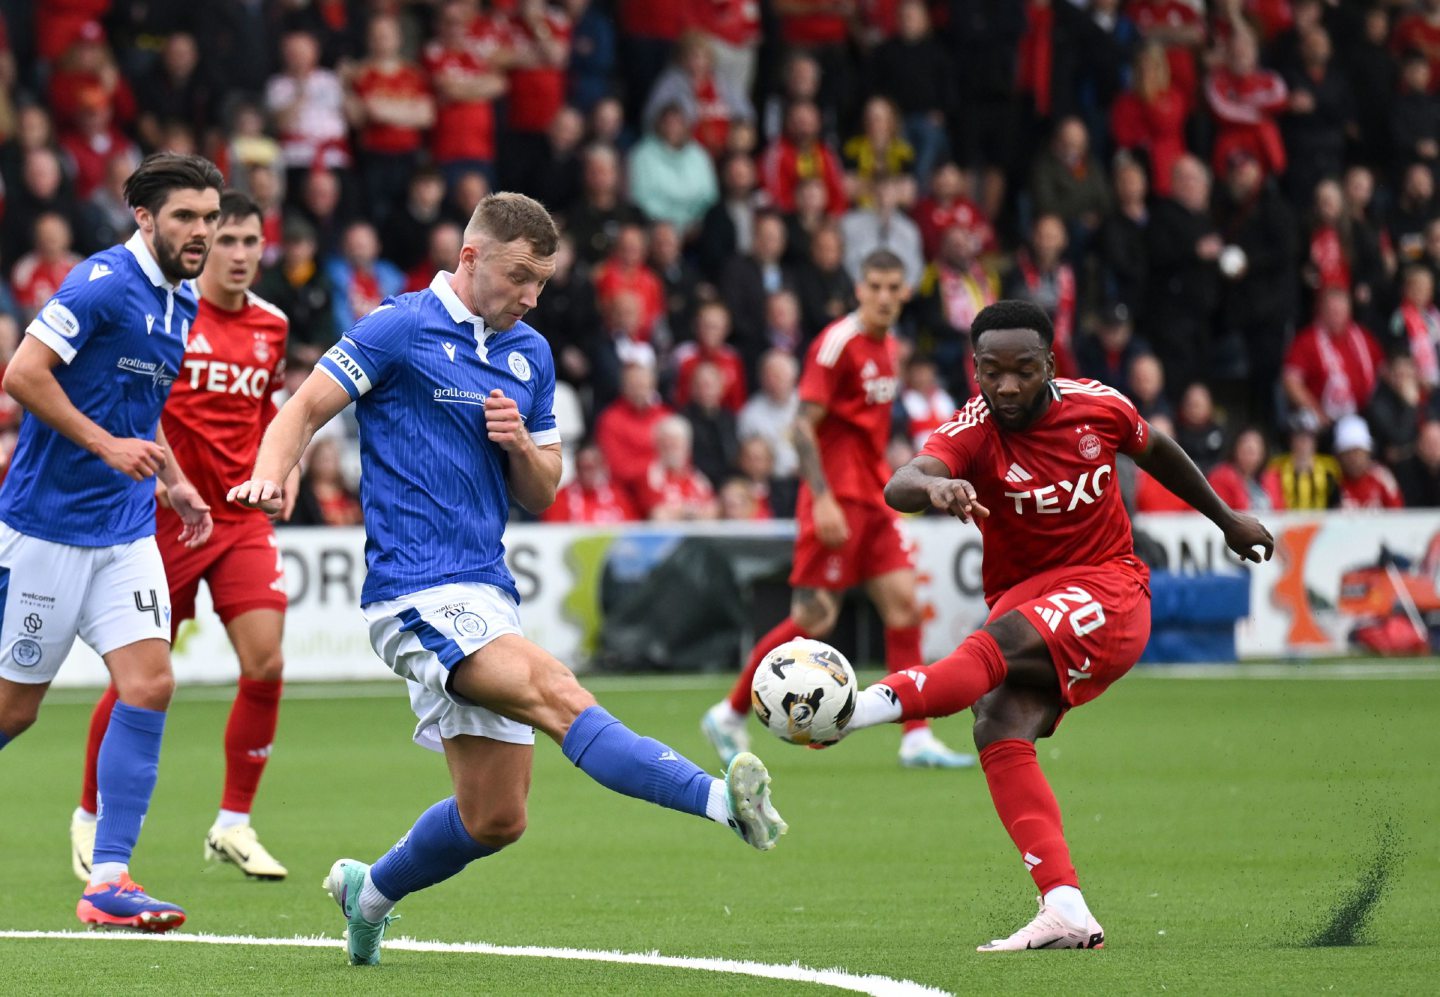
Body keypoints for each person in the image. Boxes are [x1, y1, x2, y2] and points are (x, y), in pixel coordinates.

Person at [228, 192, 786, 966]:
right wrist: (267, 475)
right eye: (521, 275)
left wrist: (521, 443)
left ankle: (370, 892)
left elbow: (543, 487)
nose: (530, 295)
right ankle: (724, 800)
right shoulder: (398, 327)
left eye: (542, 283)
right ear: (471, 256)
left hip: (487, 588)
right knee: (559, 691)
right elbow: (302, 410)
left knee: (495, 816)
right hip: (415, 589)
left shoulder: (531, 353)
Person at [823, 299, 1274, 950]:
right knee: (997, 720)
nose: (1006, 385)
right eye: (990, 371)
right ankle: (1064, 905)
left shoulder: (1100, 406)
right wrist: (936, 489)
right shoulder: (974, 429)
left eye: (1023, 369)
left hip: (1110, 586)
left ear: (1050, 364)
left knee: (994, 647)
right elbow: (903, 480)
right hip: (1028, 595)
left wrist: (1227, 517)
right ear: (974, 368)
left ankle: (850, 711)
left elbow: (1159, 451)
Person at [0, 152, 223, 931]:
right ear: (145, 217)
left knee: (150, 682)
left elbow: (139, 400)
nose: (201, 232)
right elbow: (23, 374)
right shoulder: (101, 282)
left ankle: (109, 879)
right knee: (15, 710)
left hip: (125, 528)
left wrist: (170, 477)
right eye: (186, 217)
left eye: (209, 217)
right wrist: (104, 444)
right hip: (45, 531)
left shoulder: (184, 297)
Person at [70, 191, 294, 883]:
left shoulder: (273, 325)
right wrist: (167, 475)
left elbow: (268, 412)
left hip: (238, 517)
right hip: (163, 517)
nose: (238, 254)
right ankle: (89, 816)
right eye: (226, 240)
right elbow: (140, 403)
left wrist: (277, 470)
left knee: (266, 661)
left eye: (250, 242)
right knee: (142, 676)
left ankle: (233, 823)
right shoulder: (172, 313)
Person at [700, 250, 973, 771]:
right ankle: (729, 713)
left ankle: (916, 737)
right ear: (859, 289)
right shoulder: (836, 344)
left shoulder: (890, 346)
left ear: (906, 291)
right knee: (814, 616)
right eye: (876, 286)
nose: (886, 297)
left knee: (904, 611)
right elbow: (802, 425)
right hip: (836, 498)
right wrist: (821, 496)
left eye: (895, 287)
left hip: (874, 497)